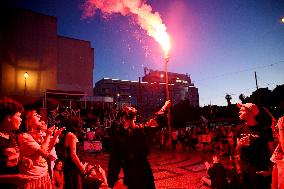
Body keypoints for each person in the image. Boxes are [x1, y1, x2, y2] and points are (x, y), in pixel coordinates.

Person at [107, 100, 170, 189]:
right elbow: (156, 120)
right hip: (144, 171)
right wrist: (165, 106)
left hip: (130, 173)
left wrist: (113, 180)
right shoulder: (142, 129)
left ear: (123, 118)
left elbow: (114, 159)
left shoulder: (119, 135)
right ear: (135, 117)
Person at [18, 109, 64, 189]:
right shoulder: (25, 136)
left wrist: (55, 135)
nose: (39, 116)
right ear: (29, 121)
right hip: (32, 177)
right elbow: (44, 152)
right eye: (35, 115)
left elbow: (48, 150)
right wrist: (49, 135)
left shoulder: (37, 135)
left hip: (43, 174)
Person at [235, 102, 274, 189]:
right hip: (245, 170)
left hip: (260, 170)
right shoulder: (239, 129)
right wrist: (240, 145)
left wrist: (270, 170)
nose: (239, 112)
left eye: (242, 110)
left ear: (250, 112)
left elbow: (272, 152)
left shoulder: (265, 129)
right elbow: (236, 151)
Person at [0, 97, 33, 188]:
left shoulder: (12, 136)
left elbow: (8, 159)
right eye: (18, 116)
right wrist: (11, 179)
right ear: (8, 117)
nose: (21, 119)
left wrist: (22, 159)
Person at [270, 116, 284, 189]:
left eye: (276, 128)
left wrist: (281, 129)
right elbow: (275, 166)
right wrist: (273, 185)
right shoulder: (279, 147)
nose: (272, 128)